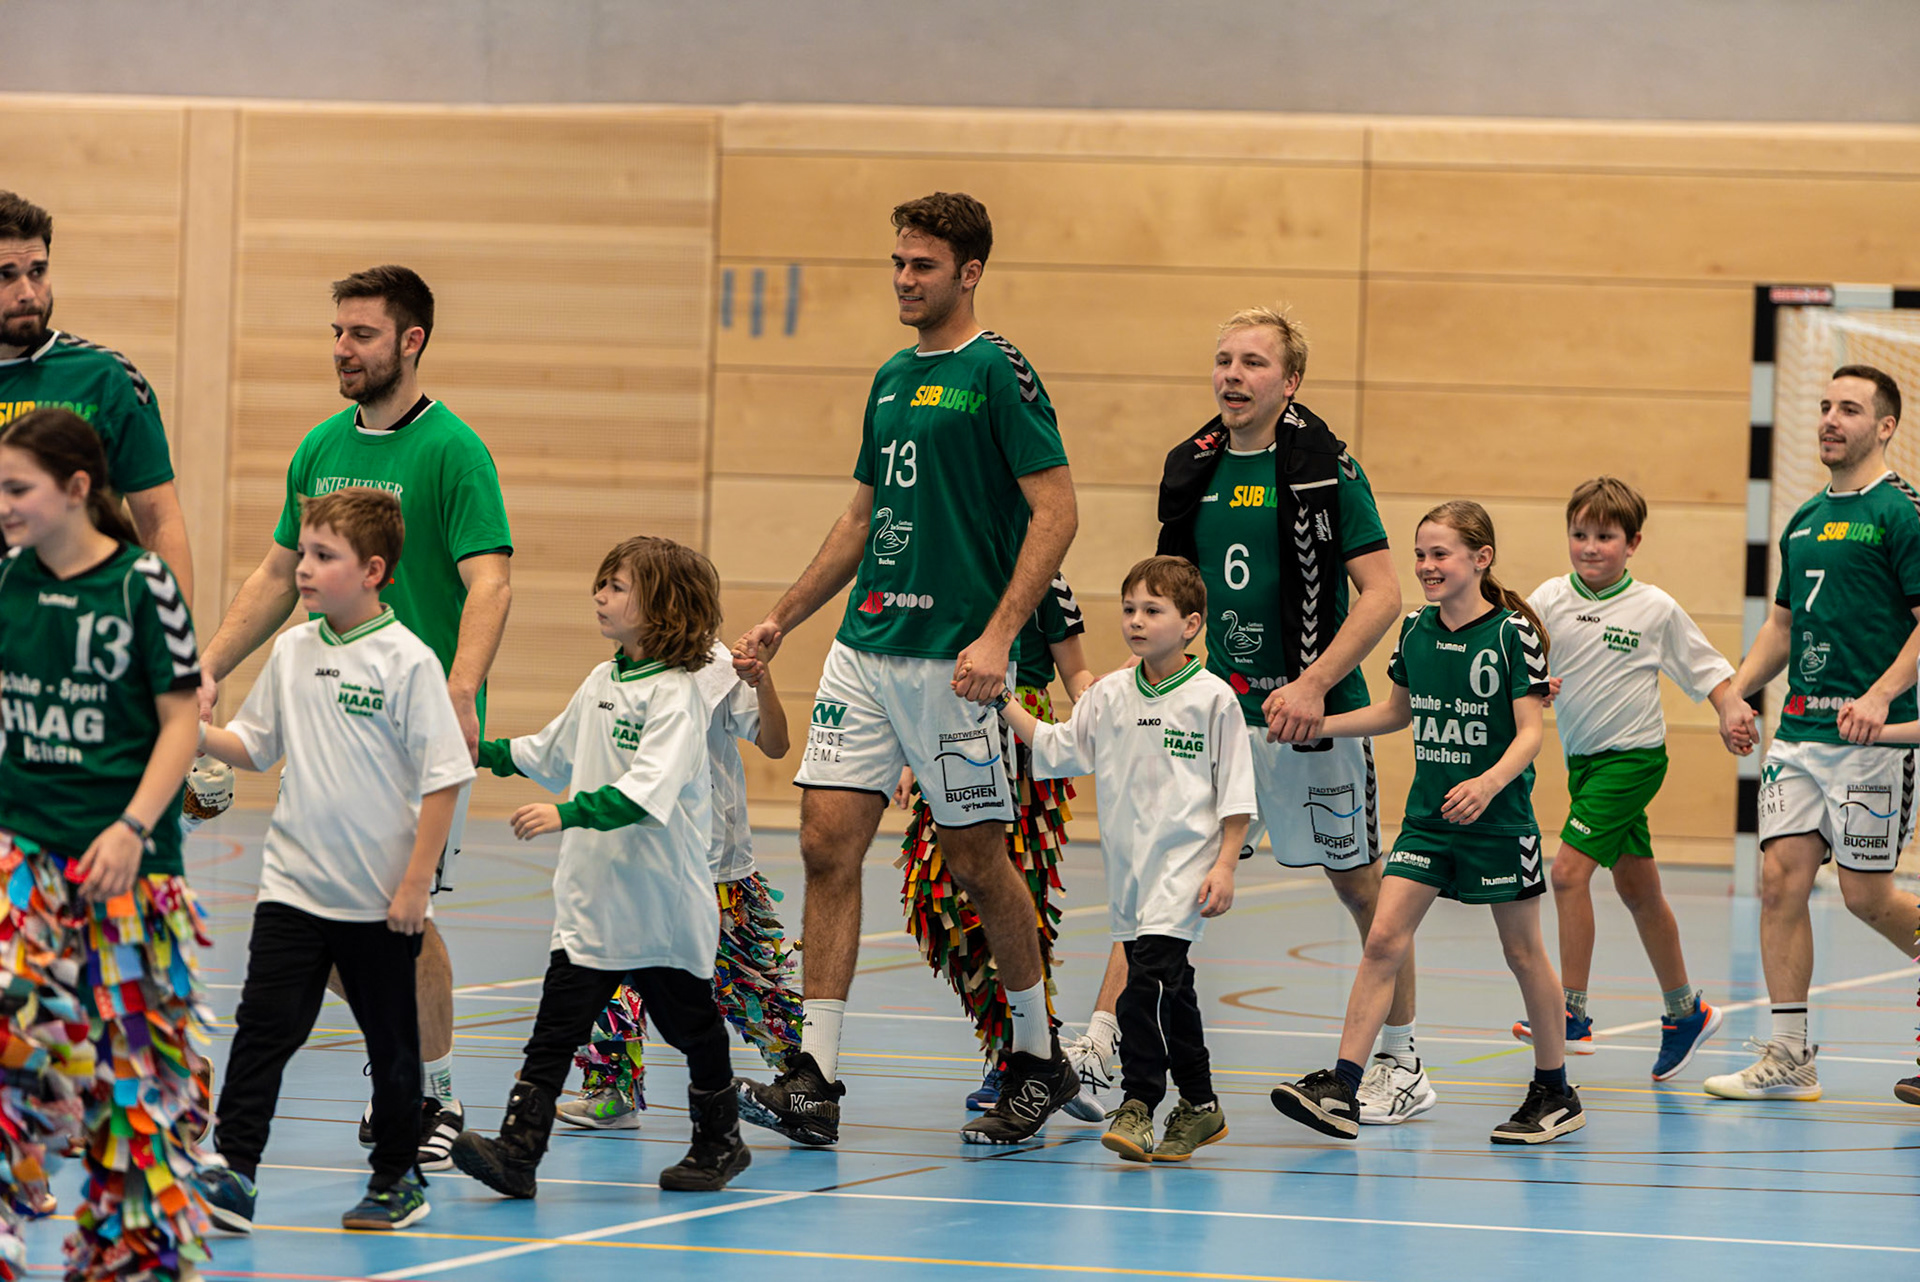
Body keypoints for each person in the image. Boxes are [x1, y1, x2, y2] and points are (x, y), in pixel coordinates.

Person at [731, 192, 1081, 1147]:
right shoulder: (890, 377)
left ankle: (1038, 1057)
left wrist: (1000, 636)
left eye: (922, 265)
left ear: (969, 272)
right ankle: (815, 1077)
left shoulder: (998, 371)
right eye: (897, 262)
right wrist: (782, 619)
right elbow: (859, 519)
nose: (903, 279)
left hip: (952, 662)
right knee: (823, 843)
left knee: (976, 863)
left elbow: (1057, 512)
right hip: (865, 649)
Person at [196, 266, 512, 1165]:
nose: (343, 348)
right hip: (333, 720)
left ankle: (433, 1098)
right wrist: (207, 668)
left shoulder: (454, 451)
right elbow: (275, 575)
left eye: (362, 334)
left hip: (413, 726)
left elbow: (490, 581)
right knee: (339, 926)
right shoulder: (319, 447)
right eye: (337, 331)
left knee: (405, 916)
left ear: (411, 341)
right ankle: (400, 1079)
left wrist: (462, 689)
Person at [1156, 306, 1423, 1125]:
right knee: (1170, 881)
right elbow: (1172, 594)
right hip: (1220, 719)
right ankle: (1108, 1049)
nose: (1232, 375)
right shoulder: (1191, 467)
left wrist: (1313, 683)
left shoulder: (1325, 469)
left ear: (1291, 382)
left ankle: (1401, 1061)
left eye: (1253, 363)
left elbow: (1383, 594)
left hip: (1315, 723)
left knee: (1363, 890)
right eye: (1223, 360)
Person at [189, 488, 472, 1233]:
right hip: (291, 890)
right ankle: (236, 1172)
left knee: (392, 1041)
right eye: (304, 554)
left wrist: (415, 884)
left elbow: (445, 778)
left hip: (378, 899)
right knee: (263, 1031)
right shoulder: (292, 650)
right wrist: (196, 734)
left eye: (323, 556)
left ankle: (397, 1179)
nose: (304, 569)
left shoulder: (408, 661)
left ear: (373, 570)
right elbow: (256, 746)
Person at [1270, 501, 1586, 1145]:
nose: (1426, 565)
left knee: (1523, 953)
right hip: (1428, 821)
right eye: (1419, 554)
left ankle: (1555, 1091)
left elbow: (1530, 734)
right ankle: (1341, 1085)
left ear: (1480, 558)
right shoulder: (1414, 629)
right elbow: (1396, 713)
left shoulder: (1512, 634)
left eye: (1440, 553)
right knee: (1383, 941)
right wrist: (1319, 723)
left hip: (1498, 822)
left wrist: (1487, 783)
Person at [452, 536, 748, 1195]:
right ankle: (518, 1154)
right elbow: (547, 752)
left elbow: (645, 792)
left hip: (659, 907)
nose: (599, 595)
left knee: (691, 1027)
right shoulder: (600, 681)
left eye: (616, 586)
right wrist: (478, 750)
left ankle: (720, 1141)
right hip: (594, 902)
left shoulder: (675, 697)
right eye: (601, 582)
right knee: (554, 1030)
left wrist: (565, 814)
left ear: (663, 606)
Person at [0, 408, 212, 1278]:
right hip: (25, 859)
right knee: (10, 1044)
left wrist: (132, 827)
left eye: (17, 488)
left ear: (77, 489)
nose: (3, 505)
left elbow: (180, 722)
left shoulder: (141, 585)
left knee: (135, 1079)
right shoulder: (7, 580)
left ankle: (130, 1258)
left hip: (129, 868)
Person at [1709, 365, 1920, 1103]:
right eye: (1826, 406)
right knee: (1779, 883)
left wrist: (1881, 695)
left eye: (1850, 409)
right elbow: (1782, 625)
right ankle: (1790, 1055)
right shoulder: (1802, 519)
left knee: (1866, 898)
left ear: (1885, 426)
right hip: (1799, 734)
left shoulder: (1902, 513)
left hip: (1874, 745)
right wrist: (1737, 692)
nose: (1830, 418)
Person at [1002, 556, 1255, 1162]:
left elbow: (1237, 795)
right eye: (1129, 609)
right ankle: (1200, 1103)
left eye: (1152, 610)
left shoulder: (1214, 699)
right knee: (1172, 986)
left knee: (1145, 984)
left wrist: (1225, 865)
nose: (1136, 621)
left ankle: (1139, 1100)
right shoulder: (1108, 695)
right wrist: (1000, 699)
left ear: (1191, 624)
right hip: (1130, 872)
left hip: (1186, 869)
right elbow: (1057, 747)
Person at [1509, 477, 1734, 1079]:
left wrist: (1730, 710)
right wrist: (1536, 685)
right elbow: (1518, 661)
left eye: (1605, 536)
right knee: (1640, 892)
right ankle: (1685, 1012)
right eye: (1579, 534)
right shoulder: (1549, 599)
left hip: (1633, 761)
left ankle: (1571, 1012)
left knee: (1566, 874)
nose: (1590, 547)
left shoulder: (1654, 608)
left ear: (1632, 543)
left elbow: (1706, 668)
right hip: (1584, 766)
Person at [555, 637, 800, 1130]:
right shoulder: (614, 675)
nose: (602, 602)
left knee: (749, 985)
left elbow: (776, 745)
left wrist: (763, 681)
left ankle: (804, 1082)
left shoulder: (717, 668)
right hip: (638, 857)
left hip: (713, 868)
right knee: (606, 971)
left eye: (620, 595)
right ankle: (612, 1088)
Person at [892, 570, 1111, 1119]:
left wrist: (1101, 703)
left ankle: (1020, 1060)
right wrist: (908, 755)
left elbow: (1075, 671)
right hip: (947, 732)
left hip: (1022, 739)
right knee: (932, 903)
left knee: (1018, 903)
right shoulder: (948, 563)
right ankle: (1036, 1053)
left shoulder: (1047, 580)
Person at [0, 192, 194, 602]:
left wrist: (173, 632)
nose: (28, 293)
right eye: (6, 275)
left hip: (79, 616)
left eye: (38, 271)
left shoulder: (107, 377)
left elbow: (159, 522)